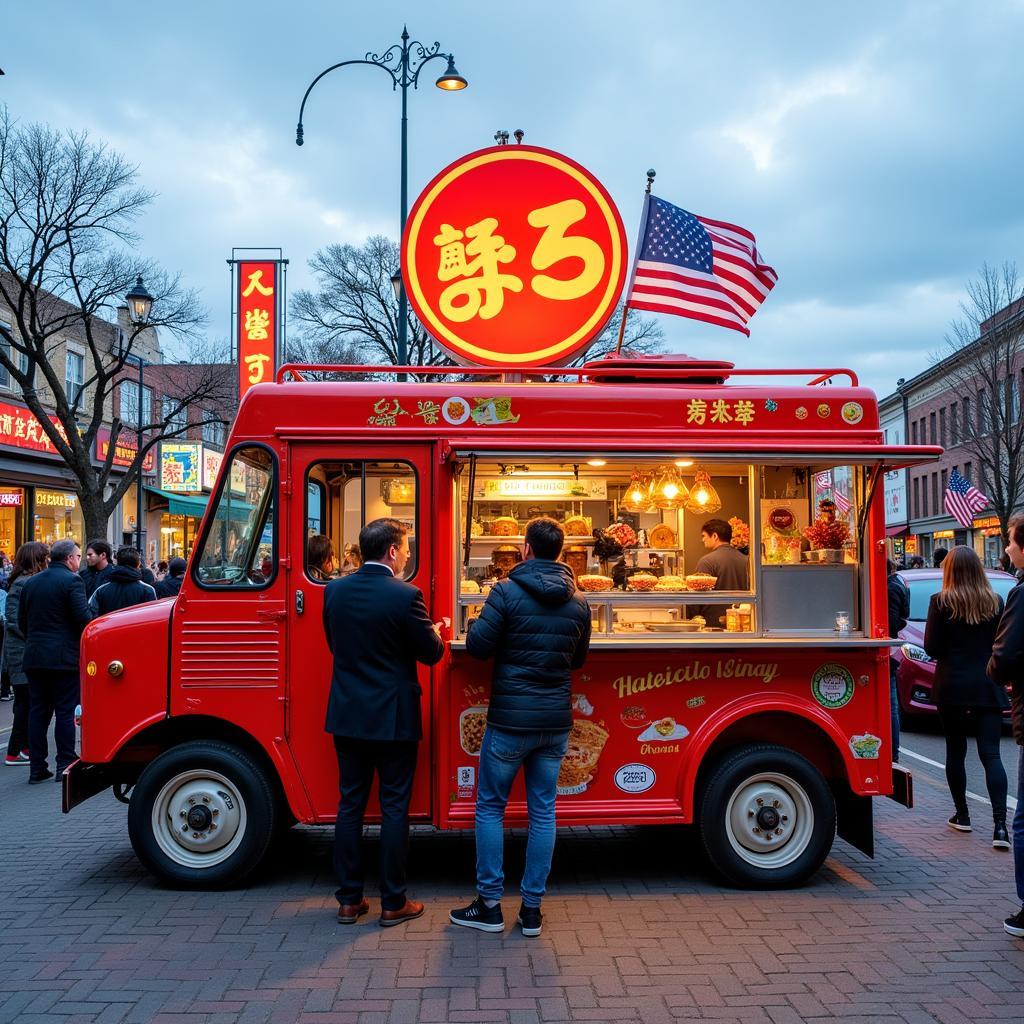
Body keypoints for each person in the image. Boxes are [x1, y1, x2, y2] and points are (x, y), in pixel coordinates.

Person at [451, 517, 591, 937]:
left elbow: (477, 648)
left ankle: (489, 906)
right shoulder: (579, 601)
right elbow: (579, 660)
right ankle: (531, 911)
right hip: (554, 723)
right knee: (543, 811)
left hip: (510, 720)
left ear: (525, 548)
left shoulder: (505, 592)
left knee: (491, 807)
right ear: (561, 553)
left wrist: (478, 623)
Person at [323, 518, 445, 927]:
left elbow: (333, 645)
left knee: (349, 805)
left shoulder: (335, 591)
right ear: (392, 551)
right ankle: (393, 901)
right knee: (395, 808)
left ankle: (348, 900)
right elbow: (430, 654)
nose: (407, 554)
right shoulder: (406, 595)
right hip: (394, 716)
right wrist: (438, 632)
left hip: (347, 712)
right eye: (406, 547)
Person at [924, 545, 1008, 847]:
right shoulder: (995, 602)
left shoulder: (940, 602)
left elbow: (932, 648)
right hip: (987, 684)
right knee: (992, 754)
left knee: (955, 751)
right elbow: (1000, 643)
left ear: (949, 571)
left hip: (952, 685)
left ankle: (963, 815)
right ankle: (1000, 826)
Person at [18, 538, 91, 783]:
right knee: (65, 710)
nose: (79, 561)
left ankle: (37, 767)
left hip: (35, 655)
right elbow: (83, 618)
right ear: (70, 558)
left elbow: (22, 621)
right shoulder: (73, 581)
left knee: (38, 711)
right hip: (63, 657)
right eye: (78, 556)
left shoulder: (31, 583)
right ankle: (65, 764)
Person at [987, 517, 1024, 937]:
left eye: (1011, 543)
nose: (1007, 550)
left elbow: (1005, 655)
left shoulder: (1020, 594)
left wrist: (998, 671)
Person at [3, 542, 48, 767]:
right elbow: (13, 620)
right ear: (35, 560)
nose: (47, 562)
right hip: (20, 653)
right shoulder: (21, 584)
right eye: (44, 558)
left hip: (24, 649)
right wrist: (34, 636)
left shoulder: (24, 582)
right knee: (25, 702)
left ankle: (24, 748)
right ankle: (14, 751)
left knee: (29, 702)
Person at [89, 546, 158, 617]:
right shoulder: (148, 590)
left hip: (110, 627)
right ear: (138, 564)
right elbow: (152, 617)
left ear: (117, 563)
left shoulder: (101, 590)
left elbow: (92, 615)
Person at [887, 559, 910, 762]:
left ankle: (893, 752)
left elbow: (894, 620)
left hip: (887, 651)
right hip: (891, 650)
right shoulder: (898, 585)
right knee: (891, 704)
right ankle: (893, 751)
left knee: (891, 705)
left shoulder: (891, 588)